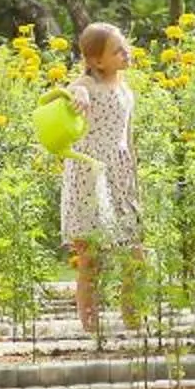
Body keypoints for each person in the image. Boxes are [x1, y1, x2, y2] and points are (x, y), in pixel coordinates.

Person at [60, 22, 144, 339]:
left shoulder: (125, 90)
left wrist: (135, 179)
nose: (126, 53)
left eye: (125, 47)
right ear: (96, 61)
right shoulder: (87, 85)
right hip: (89, 175)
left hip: (120, 175)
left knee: (135, 253)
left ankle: (134, 322)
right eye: (117, 50)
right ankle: (91, 330)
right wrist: (77, 93)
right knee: (90, 257)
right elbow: (75, 88)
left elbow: (128, 137)